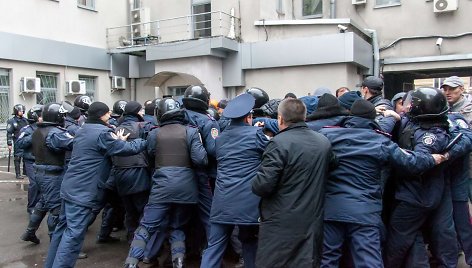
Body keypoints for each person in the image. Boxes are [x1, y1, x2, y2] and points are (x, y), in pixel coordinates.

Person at [319, 99, 445, 268]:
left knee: (327, 259)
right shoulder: (380, 141)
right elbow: (410, 163)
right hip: (365, 212)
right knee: (368, 260)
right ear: (372, 120)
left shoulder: (327, 136)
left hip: (332, 209)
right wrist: (431, 159)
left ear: (350, 116)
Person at [45, 101, 147, 268]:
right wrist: (146, 141)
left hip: (69, 187)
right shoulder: (103, 133)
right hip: (83, 191)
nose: (110, 116)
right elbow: (127, 149)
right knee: (73, 235)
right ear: (102, 115)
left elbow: (103, 148)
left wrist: (117, 142)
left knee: (61, 231)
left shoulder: (82, 129)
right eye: (108, 114)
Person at [125, 97, 208, 268]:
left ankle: (131, 263)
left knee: (146, 227)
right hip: (187, 189)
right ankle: (178, 262)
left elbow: (150, 155)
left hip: (161, 187)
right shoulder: (191, 132)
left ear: (160, 114)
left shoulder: (154, 133)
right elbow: (201, 160)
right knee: (177, 226)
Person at [252, 98, 333, 268]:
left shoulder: (278, 143)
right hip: (311, 221)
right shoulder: (323, 142)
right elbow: (333, 165)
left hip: (280, 223)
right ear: (305, 117)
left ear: (280, 119)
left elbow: (262, 186)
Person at [385, 87, 457, 268]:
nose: (407, 107)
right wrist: (393, 116)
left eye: (411, 104)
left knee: (397, 242)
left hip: (416, 196)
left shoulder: (430, 135)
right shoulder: (420, 123)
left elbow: (417, 162)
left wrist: (387, 147)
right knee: (411, 237)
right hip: (416, 193)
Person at [200, 93, 269, 268]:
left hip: (222, 200)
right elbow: (270, 154)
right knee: (250, 242)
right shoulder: (256, 134)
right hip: (249, 202)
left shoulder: (221, 139)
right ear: (249, 117)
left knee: (214, 246)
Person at [20, 103, 74, 245]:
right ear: (58, 116)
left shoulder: (37, 130)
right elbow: (73, 144)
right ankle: (56, 243)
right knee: (56, 210)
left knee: (43, 203)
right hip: (52, 175)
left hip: (40, 172)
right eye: (62, 115)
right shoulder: (56, 132)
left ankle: (30, 232)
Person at [182, 85, 219, 240]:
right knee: (207, 212)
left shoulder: (177, 116)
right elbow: (213, 150)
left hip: (178, 171)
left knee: (182, 214)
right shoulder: (208, 122)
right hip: (202, 173)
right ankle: (213, 250)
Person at [112, 101, 151, 242]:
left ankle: (130, 237)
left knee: (129, 210)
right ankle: (141, 242)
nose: (143, 113)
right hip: (139, 173)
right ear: (136, 112)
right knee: (143, 209)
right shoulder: (144, 127)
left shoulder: (116, 128)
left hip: (120, 174)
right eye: (141, 110)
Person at [16, 105, 43, 214]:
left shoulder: (45, 128)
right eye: (41, 116)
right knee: (34, 184)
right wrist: (33, 136)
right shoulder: (27, 129)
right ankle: (31, 206)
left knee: (42, 183)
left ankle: (41, 205)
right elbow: (19, 143)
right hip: (31, 160)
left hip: (43, 160)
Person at [7, 104, 29, 179]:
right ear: (16, 111)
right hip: (17, 141)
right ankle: (18, 174)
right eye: (20, 110)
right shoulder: (12, 121)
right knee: (17, 158)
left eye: (22, 110)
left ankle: (25, 172)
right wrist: (9, 143)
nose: (22, 112)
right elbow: (9, 133)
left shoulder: (26, 120)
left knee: (26, 157)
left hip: (25, 141)